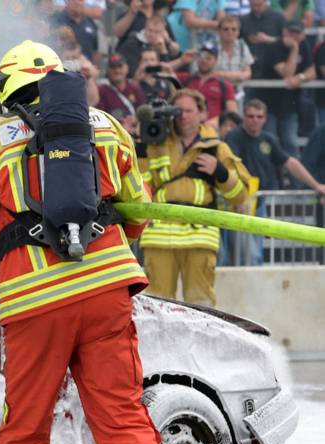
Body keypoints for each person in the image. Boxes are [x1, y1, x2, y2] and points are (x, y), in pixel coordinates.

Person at [0, 40, 177, 444]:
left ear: (4, 91)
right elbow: (137, 215)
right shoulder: (107, 126)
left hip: (35, 300)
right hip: (106, 290)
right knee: (120, 415)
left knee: (26, 428)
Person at [139, 89, 250, 305]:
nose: (183, 116)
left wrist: (221, 172)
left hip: (200, 236)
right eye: (178, 110)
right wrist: (141, 143)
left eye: (189, 110)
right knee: (157, 306)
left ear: (202, 113)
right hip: (159, 237)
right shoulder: (154, 144)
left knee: (201, 306)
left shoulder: (217, 147)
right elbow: (140, 189)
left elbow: (241, 195)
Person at [225, 99, 325, 263]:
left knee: (254, 251)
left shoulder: (268, 139)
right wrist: (239, 197)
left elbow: (290, 163)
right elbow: (231, 167)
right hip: (240, 200)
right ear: (244, 117)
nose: (254, 120)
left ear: (265, 119)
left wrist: (316, 185)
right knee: (245, 253)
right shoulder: (234, 137)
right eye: (250, 116)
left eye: (259, 116)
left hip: (260, 201)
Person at [248, 21, 314, 156]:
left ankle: (295, 177)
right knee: (270, 142)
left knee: (290, 142)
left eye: (297, 33)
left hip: (290, 105)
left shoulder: (305, 45)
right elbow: (287, 73)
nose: (294, 36)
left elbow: (312, 71)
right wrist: (295, 49)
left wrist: (300, 78)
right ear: (284, 31)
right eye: (291, 32)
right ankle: (271, 175)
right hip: (268, 105)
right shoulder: (274, 47)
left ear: (303, 34)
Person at [179, 43, 239, 127]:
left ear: (216, 60)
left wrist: (216, 121)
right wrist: (181, 60)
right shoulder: (185, 78)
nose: (204, 61)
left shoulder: (224, 85)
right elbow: (160, 73)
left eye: (208, 58)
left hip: (212, 130)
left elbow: (232, 113)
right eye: (202, 57)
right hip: (187, 126)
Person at [98, 54, 146, 134]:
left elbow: (143, 113)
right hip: (113, 134)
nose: (117, 71)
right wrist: (120, 126)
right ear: (108, 70)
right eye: (113, 67)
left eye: (120, 67)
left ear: (127, 68)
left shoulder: (135, 89)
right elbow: (100, 117)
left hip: (135, 134)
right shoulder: (101, 91)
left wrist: (135, 120)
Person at [53, 0, 102, 66]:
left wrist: (95, 68)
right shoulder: (57, 20)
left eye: (80, 0)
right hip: (64, 68)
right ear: (67, 1)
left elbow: (96, 50)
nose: (77, 2)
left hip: (86, 70)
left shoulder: (90, 22)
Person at [213, 15, 254, 83]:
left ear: (238, 32)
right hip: (216, 89)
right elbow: (209, 73)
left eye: (234, 29)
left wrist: (222, 74)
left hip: (238, 90)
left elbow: (248, 73)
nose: (230, 32)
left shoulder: (242, 46)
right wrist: (237, 75)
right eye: (226, 29)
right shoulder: (212, 47)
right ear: (219, 31)